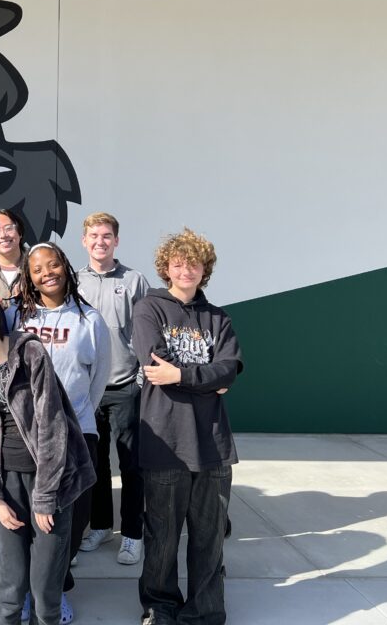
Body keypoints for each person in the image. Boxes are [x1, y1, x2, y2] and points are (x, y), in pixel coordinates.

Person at [0, 284, 96, 625]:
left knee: (45, 587)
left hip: (51, 479)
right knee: (10, 585)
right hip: (7, 480)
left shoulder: (29, 351)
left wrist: (45, 497)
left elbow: (52, 425)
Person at [132, 228, 243, 625]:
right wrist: (207, 379)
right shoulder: (149, 309)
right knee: (162, 535)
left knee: (209, 535)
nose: (186, 269)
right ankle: (159, 607)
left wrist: (181, 375)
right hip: (166, 440)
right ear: (166, 268)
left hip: (213, 443)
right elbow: (153, 364)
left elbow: (229, 368)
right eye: (178, 263)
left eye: (193, 263)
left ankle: (204, 610)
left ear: (204, 270)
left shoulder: (218, 317)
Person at [19, 242, 110, 623]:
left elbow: (99, 377)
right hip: (26, 433)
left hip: (77, 430)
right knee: (30, 516)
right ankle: (30, 589)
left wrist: (72, 414)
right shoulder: (18, 318)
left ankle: (54, 588)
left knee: (71, 517)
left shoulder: (89, 320)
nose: (46, 273)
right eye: (37, 269)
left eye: (53, 264)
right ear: (29, 277)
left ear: (66, 267)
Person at [75, 213, 149, 565]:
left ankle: (133, 533)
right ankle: (102, 525)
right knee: (96, 462)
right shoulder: (74, 282)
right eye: (94, 236)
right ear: (84, 241)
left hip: (124, 387)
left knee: (131, 464)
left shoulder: (134, 281)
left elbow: (147, 335)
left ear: (116, 241)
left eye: (107, 236)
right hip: (89, 391)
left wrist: (139, 381)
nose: (100, 241)